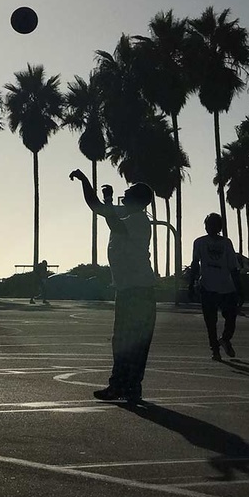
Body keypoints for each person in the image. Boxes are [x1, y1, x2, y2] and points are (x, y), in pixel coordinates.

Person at [69, 168, 156, 405]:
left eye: (127, 194)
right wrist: (85, 180)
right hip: (128, 289)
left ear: (137, 200)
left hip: (139, 290)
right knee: (123, 340)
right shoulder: (125, 214)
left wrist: (108, 200)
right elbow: (96, 206)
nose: (122, 197)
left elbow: (114, 225)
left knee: (131, 341)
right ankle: (122, 386)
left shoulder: (138, 220)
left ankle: (126, 386)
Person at [188, 213, 244, 361]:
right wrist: (190, 283)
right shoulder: (199, 242)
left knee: (231, 318)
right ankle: (215, 349)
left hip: (227, 287)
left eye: (213, 225)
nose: (209, 228)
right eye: (207, 225)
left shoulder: (226, 243)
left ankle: (225, 339)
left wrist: (240, 289)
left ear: (219, 227)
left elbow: (233, 267)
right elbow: (195, 263)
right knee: (210, 321)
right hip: (207, 287)